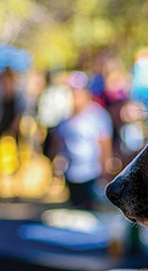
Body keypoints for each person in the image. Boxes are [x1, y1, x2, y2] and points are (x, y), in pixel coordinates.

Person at [51, 71, 114, 210]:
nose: (75, 95)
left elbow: (105, 147)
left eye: (79, 91)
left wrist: (105, 174)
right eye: (73, 91)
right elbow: (59, 145)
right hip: (72, 174)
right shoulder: (65, 117)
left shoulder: (99, 116)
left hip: (92, 174)